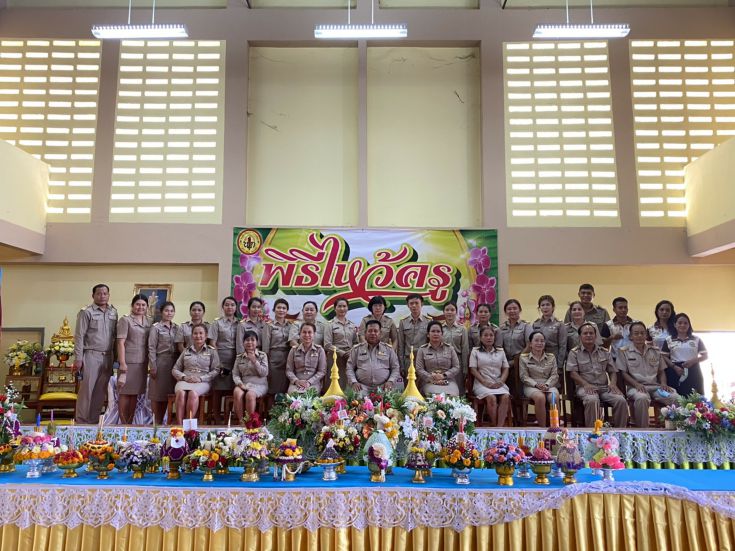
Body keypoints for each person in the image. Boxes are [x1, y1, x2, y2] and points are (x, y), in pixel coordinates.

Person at [617, 321, 678, 428]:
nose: (639, 336)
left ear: (646, 335)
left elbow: (661, 371)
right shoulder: (623, 351)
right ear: (631, 336)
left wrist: (663, 383)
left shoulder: (655, 351)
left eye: (642, 333)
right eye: (636, 333)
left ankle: (675, 428)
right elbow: (624, 373)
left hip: (656, 387)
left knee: (675, 397)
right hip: (636, 387)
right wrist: (636, 384)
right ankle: (643, 430)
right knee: (642, 398)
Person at [566, 322, 628, 427]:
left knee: (621, 400)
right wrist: (585, 384)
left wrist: (613, 384)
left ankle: (620, 431)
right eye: (585, 333)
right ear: (580, 336)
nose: (588, 335)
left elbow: (612, 371)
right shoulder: (574, 353)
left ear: (595, 336)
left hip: (604, 388)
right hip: (585, 387)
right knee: (592, 400)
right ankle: (593, 432)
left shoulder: (604, 352)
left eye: (591, 333)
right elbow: (572, 373)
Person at [73, 284, 118, 424]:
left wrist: (116, 359)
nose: (102, 296)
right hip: (91, 355)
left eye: (105, 293)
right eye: (99, 293)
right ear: (93, 296)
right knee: (87, 390)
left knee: (100, 391)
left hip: (108, 356)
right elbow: (79, 336)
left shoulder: (113, 312)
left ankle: (93, 422)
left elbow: (115, 336)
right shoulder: (86, 312)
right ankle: (81, 422)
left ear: (108, 295)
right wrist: (78, 359)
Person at [172, 324, 219, 425]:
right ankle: (179, 426)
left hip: (202, 381)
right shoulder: (186, 350)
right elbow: (175, 369)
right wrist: (184, 377)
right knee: (180, 393)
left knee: (193, 393)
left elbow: (216, 370)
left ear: (206, 336)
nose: (198, 336)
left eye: (201, 333)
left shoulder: (211, 351)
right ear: (192, 336)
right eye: (195, 333)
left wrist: (201, 379)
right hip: (185, 380)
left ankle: (188, 425)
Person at [115, 294, 151, 425]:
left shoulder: (149, 321)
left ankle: (129, 424)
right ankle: (123, 424)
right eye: (138, 304)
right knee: (124, 393)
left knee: (135, 394)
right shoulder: (125, 320)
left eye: (143, 305)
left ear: (147, 307)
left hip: (142, 363)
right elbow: (120, 343)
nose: (140, 307)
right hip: (128, 362)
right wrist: (122, 363)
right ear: (132, 305)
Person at [469, 326, 511, 427]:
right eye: (486, 335)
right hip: (481, 383)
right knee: (491, 398)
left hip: (498, 382)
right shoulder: (475, 351)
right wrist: (485, 382)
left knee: (505, 397)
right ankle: (494, 425)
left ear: (494, 337)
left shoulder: (500, 351)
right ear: (480, 338)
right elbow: (473, 370)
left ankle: (499, 428)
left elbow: (506, 368)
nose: (489, 338)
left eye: (491, 335)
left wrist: (501, 381)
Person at [346, 319, 400, 394]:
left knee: (388, 399)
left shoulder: (388, 349)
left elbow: (395, 368)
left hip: (384, 387)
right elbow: (349, 368)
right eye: (370, 331)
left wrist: (391, 381)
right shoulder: (356, 349)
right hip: (361, 387)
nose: (373, 333)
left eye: (375, 331)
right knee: (357, 398)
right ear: (365, 333)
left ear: (380, 333)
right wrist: (354, 382)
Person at [208, 296, 239, 425]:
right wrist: (218, 362)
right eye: (227, 305)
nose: (229, 307)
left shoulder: (240, 323)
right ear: (223, 307)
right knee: (218, 390)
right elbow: (212, 343)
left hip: (236, 359)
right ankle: (216, 417)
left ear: (236, 307)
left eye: (232, 305)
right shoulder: (217, 323)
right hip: (220, 357)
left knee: (232, 389)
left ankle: (228, 417)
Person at [518, 331, 558, 427]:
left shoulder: (551, 357)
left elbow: (554, 375)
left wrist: (547, 384)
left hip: (548, 384)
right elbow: (524, 376)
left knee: (554, 397)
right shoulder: (523, 358)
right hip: (531, 386)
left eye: (542, 341)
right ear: (530, 344)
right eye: (536, 340)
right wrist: (536, 384)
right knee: (540, 397)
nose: (539, 343)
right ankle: (542, 428)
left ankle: (555, 427)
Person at [148, 301, 179, 425]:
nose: (169, 313)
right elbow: (151, 348)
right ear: (161, 312)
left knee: (168, 394)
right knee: (157, 394)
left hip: (173, 364)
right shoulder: (156, 327)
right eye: (166, 311)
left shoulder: (177, 328)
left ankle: (164, 422)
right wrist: (153, 366)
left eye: (171, 311)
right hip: (160, 362)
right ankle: (157, 422)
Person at [662, 313, 708, 397]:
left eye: (685, 323)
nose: (682, 325)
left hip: (693, 370)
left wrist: (692, 361)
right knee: (676, 398)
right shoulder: (669, 340)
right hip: (675, 371)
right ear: (675, 325)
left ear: (689, 325)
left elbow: (705, 356)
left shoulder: (696, 339)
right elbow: (663, 356)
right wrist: (674, 367)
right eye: (680, 323)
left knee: (695, 398)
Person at [416, 320, 461, 396]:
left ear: (442, 334)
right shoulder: (422, 349)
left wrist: (443, 376)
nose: (436, 334)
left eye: (438, 331)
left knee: (452, 396)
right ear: (428, 334)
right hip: (429, 381)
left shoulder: (450, 348)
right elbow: (419, 369)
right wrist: (432, 377)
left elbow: (456, 367)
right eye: (433, 331)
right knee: (435, 396)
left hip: (448, 381)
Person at [232, 330, 269, 422]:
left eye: (252, 340)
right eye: (247, 340)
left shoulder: (262, 355)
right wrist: (240, 384)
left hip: (259, 384)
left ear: (257, 342)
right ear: (243, 342)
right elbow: (235, 374)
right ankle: (241, 421)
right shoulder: (239, 357)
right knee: (237, 392)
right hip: (244, 384)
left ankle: (250, 422)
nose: (249, 342)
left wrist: (254, 361)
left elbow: (264, 373)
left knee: (250, 395)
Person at [324, 298, 359, 388]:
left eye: (344, 306)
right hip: (335, 357)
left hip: (350, 357)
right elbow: (327, 345)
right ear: (335, 308)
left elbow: (356, 342)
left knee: (349, 382)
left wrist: (351, 351)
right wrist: (342, 353)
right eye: (339, 306)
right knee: (335, 383)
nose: (342, 309)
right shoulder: (330, 324)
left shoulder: (352, 325)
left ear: (347, 308)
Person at [262, 298, 292, 396]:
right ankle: (271, 406)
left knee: (286, 386)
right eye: (279, 307)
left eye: (284, 308)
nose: (281, 310)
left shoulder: (291, 326)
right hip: (274, 358)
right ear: (274, 309)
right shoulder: (269, 325)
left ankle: (285, 406)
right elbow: (265, 347)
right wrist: (266, 362)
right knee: (273, 386)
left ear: (287, 311)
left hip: (288, 357)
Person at [285, 322, 327, 393]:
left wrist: (310, 382)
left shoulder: (319, 350)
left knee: (310, 395)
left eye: (310, 332)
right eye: (304, 332)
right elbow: (289, 371)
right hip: (296, 383)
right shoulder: (293, 350)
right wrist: (296, 381)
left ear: (314, 334)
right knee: (293, 395)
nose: (307, 335)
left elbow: (322, 371)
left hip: (313, 383)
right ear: (300, 334)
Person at [441, 300, 470, 395]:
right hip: (443, 361)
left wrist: (465, 368)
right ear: (443, 312)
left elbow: (465, 349)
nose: (449, 312)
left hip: (458, 362)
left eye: (452, 310)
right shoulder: (439, 328)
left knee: (458, 388)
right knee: (443, 388)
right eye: (447, 310)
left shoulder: (462, 329)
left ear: (456, 312)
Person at [397, 293, 431, 373]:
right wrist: (401, 365)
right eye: (411, 303)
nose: (414, 306)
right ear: (408, 305)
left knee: (424, 381)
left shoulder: (429, 321)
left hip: (424, 360)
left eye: (416, 303)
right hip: (408, 361)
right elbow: (401, 345)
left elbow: (430, 344)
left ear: (422, 304)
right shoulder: (403, 322)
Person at [532, 295, 567, 369]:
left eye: (548, 305)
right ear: (539, 308)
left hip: (553, 359)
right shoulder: (536, 324)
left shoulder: (559, 324)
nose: (545, 307)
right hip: (538, 359)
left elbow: (563, 346)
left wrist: (559, 365)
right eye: (542, 305)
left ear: (553, 307)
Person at [496, 298, 532, 363]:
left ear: (520, 310)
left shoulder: (526, 326)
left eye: (515, 308)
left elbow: (529, 346)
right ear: (505, 312)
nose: (512, 311)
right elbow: (499, 347)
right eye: (509, 309)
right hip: (505, 362)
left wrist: (517, 360)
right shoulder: (501, 328)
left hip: (522, 362)